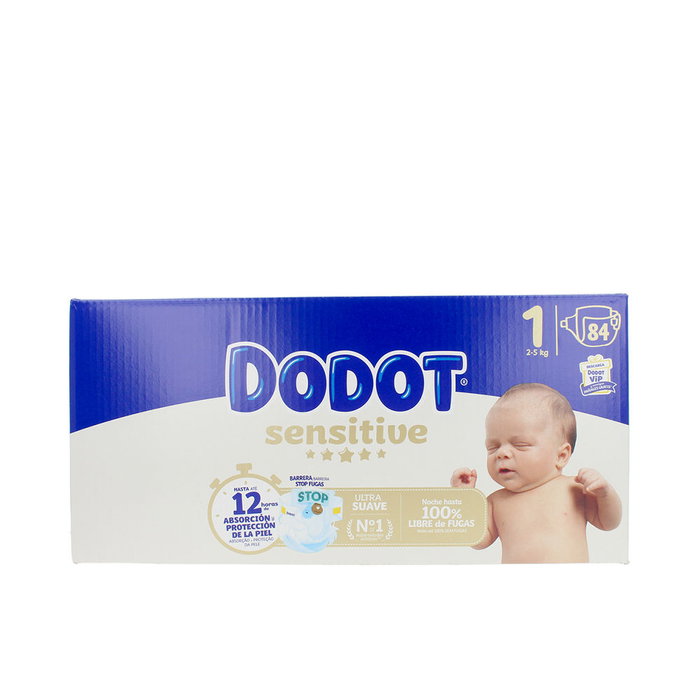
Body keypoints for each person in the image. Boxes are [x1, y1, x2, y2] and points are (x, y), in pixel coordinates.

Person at [451, 383, 621, 563]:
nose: (502, 453)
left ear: (561, 456)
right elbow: (478, 541)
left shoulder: (574, 488)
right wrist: (464, 498)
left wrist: (604, 494)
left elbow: (608, 523)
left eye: (520, 445)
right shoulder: (496, 502)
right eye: (493, 447)